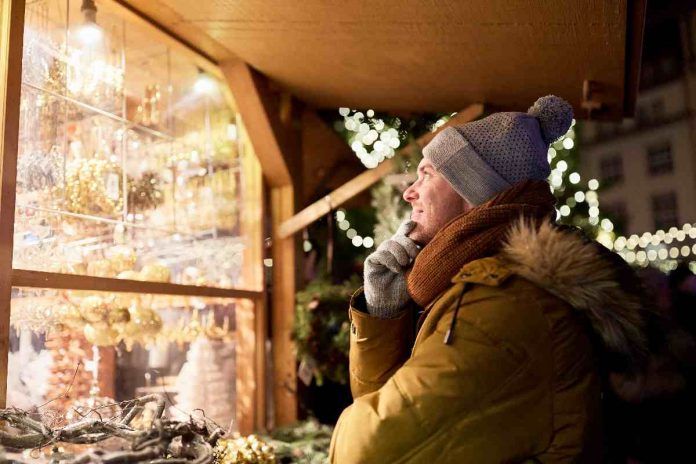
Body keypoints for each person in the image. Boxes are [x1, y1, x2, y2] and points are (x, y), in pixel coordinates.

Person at [329, 96, 653, 463]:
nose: (409, 191)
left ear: (473, 191)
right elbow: (390, 410)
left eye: (427, 174)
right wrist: (384, 313)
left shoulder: (503, 305)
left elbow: (367, 451)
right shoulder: (467, 287)